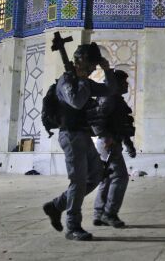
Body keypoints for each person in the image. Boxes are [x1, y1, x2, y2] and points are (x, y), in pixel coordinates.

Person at [43, 43, 119, 241]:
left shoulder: (83, 79)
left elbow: (111, 89)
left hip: (84, 135)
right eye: (92, 64)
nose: (94, 68)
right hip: (70, 135)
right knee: (77, 181)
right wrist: (84, 80)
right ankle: (73, 226)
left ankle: (57, 205)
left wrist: (107, 69)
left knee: (96, 175)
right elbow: (76, 101)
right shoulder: (66, 80)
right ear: (81, 61)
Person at [90, 69, 137, 229]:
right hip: (108, 144)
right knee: (120, 177)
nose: (127, 85)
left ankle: (99, 214)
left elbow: (121, 125)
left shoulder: (114, 99)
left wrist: (129, 145)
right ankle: (109, 214)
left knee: (107, 178)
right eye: (124, 82)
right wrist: (106, 138)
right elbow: (97, 121)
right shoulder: (109, 98)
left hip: (110, 142)